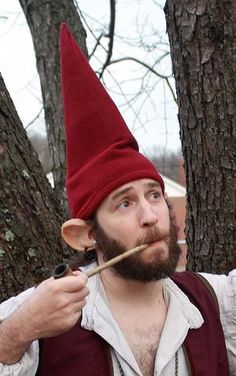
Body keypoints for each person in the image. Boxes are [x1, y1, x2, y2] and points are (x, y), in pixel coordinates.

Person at [0, 24, 235, 376]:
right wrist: (18, 331)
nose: (150, 216)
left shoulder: (214, 300)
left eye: (154, 195)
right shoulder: (35, 315)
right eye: (125, 203)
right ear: (85, 235)